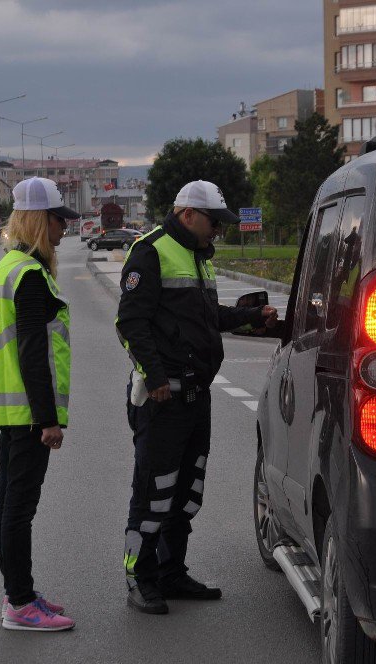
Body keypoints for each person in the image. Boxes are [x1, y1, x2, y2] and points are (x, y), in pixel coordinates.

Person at [116, 180, 279, 614]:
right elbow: (130, 322)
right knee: (154, 492)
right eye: (213, 223)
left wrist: (250, 317)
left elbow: (208, 318)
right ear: (188, 214)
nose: (218, 232)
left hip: (196, 396)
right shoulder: (150, 251)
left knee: (186, 492)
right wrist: (153, 377)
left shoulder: (198, 257)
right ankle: (140, 575)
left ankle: (171, 572)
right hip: (163, 398)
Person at [0, 177, 76, 632]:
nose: (64, 229)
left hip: (11, 410)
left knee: (7, 503)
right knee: (19, 509)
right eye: (59, 219)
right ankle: (18, 603)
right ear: (40, 220)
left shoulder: (7, 266)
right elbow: (33, 352)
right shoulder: (30, 276)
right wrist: (48, 420)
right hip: (28, 413)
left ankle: (20, 593)